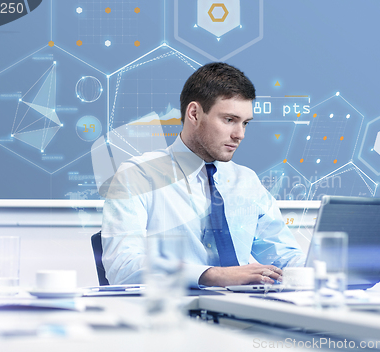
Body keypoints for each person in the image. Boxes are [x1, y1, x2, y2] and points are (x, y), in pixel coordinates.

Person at [101, 62, 304, 287]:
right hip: (173, 312)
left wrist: (332, 267)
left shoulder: (246, 181)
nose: (240, 135)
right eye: (229, 120)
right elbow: (122, 266)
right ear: (194, 113)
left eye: (245, 123)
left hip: (246, 311)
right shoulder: (138, 176)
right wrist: (212, 275)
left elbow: (283, 256)